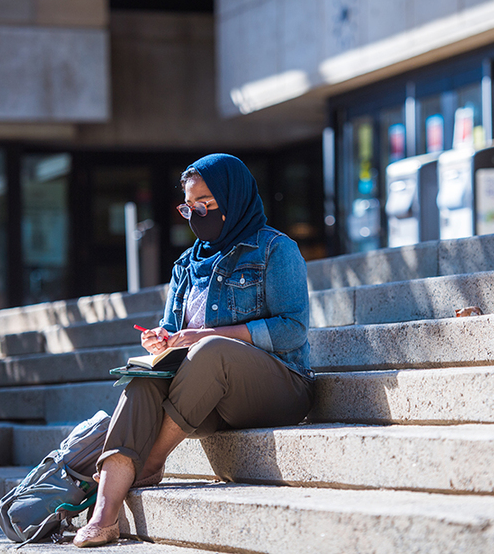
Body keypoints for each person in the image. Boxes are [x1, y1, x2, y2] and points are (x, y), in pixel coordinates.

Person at [74, 153, 315, 547]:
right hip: (209, 400)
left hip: (281, 387)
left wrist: (204, 335)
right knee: (143, 378)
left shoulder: (275, 250)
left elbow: (292, 331)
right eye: (189, 206)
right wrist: (162, 339)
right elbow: (174, 331)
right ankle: (105, 511)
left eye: (206, 203)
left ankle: (151, 462)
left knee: (211, 348)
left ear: (232, 197)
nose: (196, 213)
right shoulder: (186, 264)